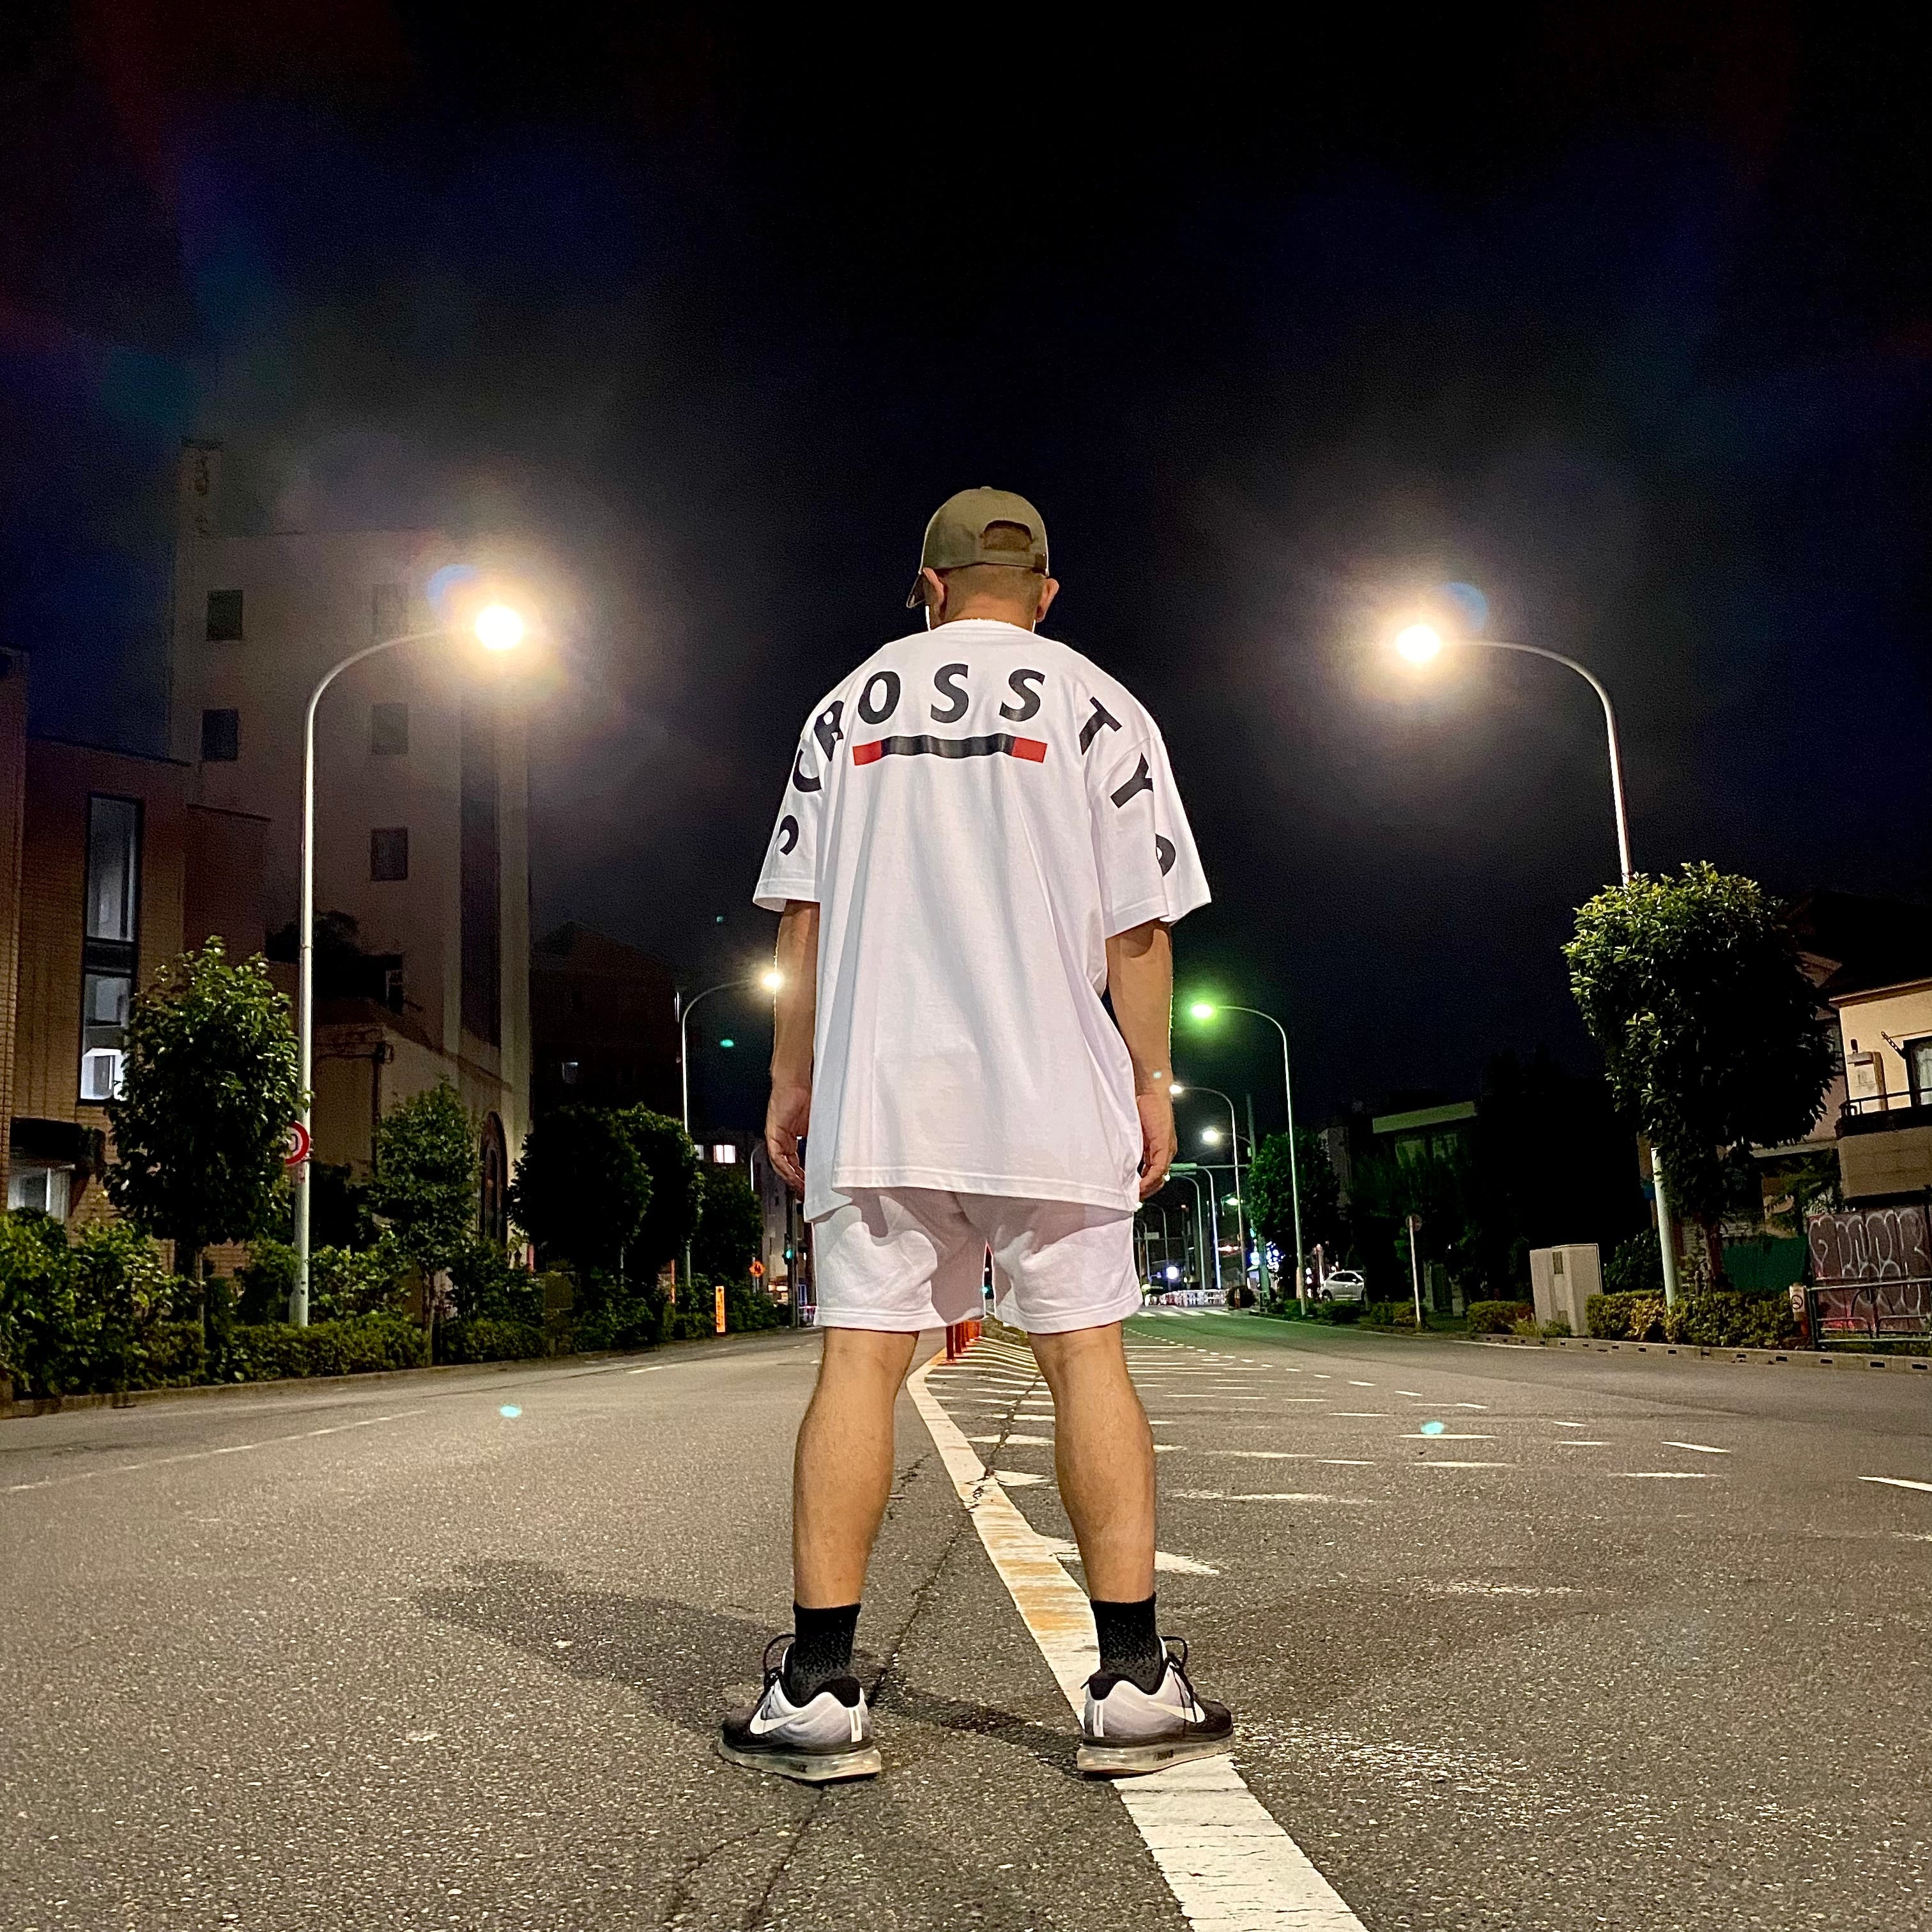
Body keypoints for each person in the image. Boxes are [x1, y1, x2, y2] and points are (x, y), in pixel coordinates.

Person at [720, 487, 1232, 1783]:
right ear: (1046, 594)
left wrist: (791, 1079)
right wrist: (1152, 1082)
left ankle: (819, 1689)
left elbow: (802, 918)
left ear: (929, 587)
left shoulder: (845, 711)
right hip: (1053, 1088)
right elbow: (1138, 929)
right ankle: (1132, 1684)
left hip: (882, 1092)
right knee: (1085, 1356)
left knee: (859, 1361)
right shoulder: (1103, 707)